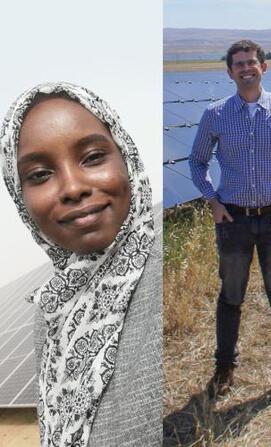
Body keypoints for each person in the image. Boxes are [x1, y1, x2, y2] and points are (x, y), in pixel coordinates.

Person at [0, 82, 162, 446]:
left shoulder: (160, 268)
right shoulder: (51, 310)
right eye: (39, 175)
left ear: (127, 158)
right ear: (18, 194)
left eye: (91, 157)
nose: (72, 187)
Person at [189, 39, 271, 400]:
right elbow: (197, 162)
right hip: (234, 221)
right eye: (239, 64)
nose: (246, 69)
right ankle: (224, 370)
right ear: (229, 72)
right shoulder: (215, 114)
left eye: (252, 63)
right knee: (231, 297)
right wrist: (212, 201)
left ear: (264, 67)